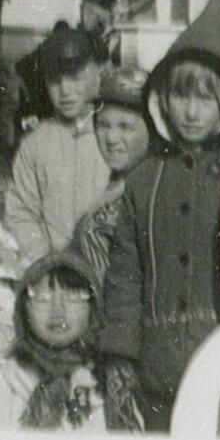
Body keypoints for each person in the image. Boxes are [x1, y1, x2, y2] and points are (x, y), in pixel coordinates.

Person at [99, 0, 220, 431]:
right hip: (157, 371)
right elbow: (126, 274)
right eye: (181, 96)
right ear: (163, 99)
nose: (192, 112)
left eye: (206, 99)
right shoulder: (145, 180)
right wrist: (120, 360)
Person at [4, 26, 108, 262]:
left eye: (75, 78)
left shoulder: (114, 136)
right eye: (54, 80)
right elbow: (20, 213)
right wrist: (43, 262)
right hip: (54, 269)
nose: (65, 90)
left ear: (97, 74)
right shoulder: (35, 145)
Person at [0, 253, 107, 431]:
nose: (58, 310)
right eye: (42, 297)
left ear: (93, 307)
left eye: (73, 296)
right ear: (23, 310)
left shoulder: (109, 384)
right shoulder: (2, 384)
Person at [68, 65, 151, 285]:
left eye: (126, 127)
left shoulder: (150, 193)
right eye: (104, 125)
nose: (111, 138)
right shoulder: (113, 185)